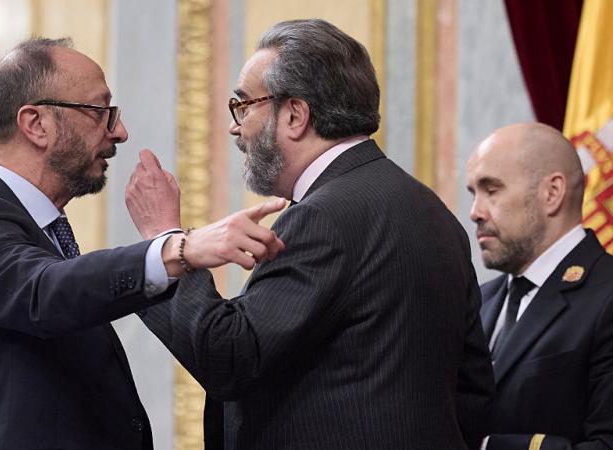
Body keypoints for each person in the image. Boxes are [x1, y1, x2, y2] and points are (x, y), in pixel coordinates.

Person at [125, 19, 494, 450]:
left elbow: (228, 356)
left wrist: (169, 243)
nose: (234, 127)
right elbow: (472, 393)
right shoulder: (433, 211)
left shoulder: (325, 217)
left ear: (295, 115)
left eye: (244, 105)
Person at [0, 37, 284, 450]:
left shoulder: (43, 233)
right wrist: (177, 248)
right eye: (98, 112)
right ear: (36, 124)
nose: (119, 132)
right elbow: (46, 291)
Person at [466, 122, 613, 450]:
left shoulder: (606, 295)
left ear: (552, 193)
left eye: (491, 190)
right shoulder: (480, 300)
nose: (475, 212)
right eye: (473, 193)